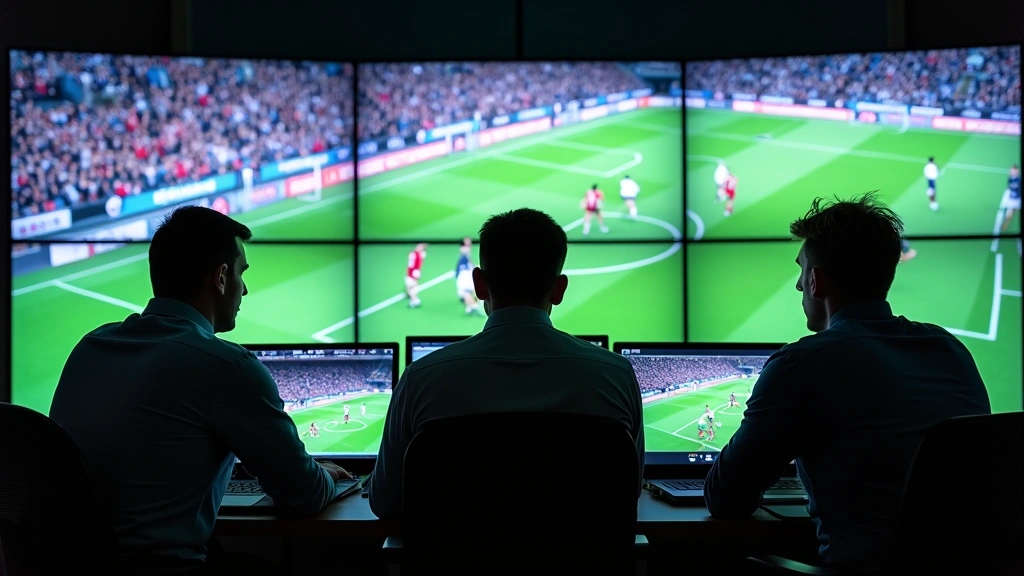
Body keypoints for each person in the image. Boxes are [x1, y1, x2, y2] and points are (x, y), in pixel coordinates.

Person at [49, 206, 351, 574]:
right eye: (241, 273)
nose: (245, 288)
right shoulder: (228, 366)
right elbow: (303, 495)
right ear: (221, 277)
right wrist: (326, 475)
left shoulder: (89, 347)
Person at [703, 193, 990, 570]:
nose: (797, 286)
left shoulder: (801, 364)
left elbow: (726, 497)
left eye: (800, 270)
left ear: (816, 281)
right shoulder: (951, 350)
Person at [368, 208, 644, 519]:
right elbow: (628, 492)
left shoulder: (420, 378)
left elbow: (386, 502)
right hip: (582, 566)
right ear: (559, 288)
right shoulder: (616, 376)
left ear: (479, 285)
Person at [456, 237, 483, 315]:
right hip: (464, 273)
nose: (469, 242)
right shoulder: (464, 249)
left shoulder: (466, 252)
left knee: (467, 291)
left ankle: (471, 307)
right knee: (466, 291)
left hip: (465, 272)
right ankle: (472, 307)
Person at [406, 243, 427, 308]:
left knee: (410, 287)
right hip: (413, 272)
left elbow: (414, 265)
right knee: (411, 286)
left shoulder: (416, 254)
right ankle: (414, 300)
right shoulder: (418, 254)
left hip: (413, 272)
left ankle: (415, 301)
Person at [1002, 164, 1020, 232]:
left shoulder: (1019, 180)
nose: (1011, 171)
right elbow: (1010, 187)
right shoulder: (1010, 179)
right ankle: (1005, 226)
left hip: (1018, 200)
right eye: (1011, 170)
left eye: (1013, 170)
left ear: (1017, 171)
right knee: (1009, 214)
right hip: (1012, 199)